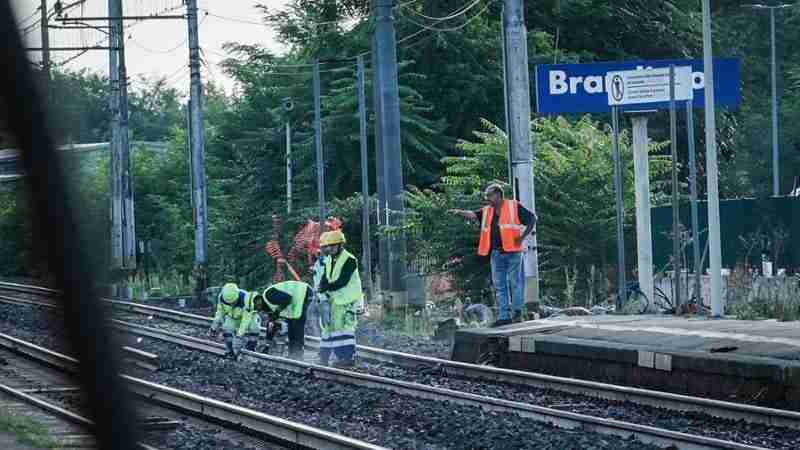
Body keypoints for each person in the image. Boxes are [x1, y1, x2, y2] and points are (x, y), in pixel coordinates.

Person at [448, 183, 537, 327]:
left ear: (498, 194)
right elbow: (473, 214)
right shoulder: (487, 210)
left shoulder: (513, 206)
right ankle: (504, 317)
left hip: (514, 252)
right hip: (496, 253)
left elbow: (532, 219)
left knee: (515, 284)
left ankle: (517, 313)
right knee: (500, 286)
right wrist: (459, 212)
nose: (487, 198)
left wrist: (522, 237)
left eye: (489, 195)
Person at [317, 229, 362, 368]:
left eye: (332, 245)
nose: (329, 248)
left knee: (345, 329)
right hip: (335, 299)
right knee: (332, 328)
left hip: (347, 300)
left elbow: (343, 280)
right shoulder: (330, 259)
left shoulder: (350, 259)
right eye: (328, 246)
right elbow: (326, 277)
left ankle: (348, 358)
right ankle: (332, 357)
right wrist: (321, 287)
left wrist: (326, 288)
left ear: (340, 245)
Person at [260, 280, 312, 359]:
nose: (264, 313)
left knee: (296, 327)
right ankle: (293, 354)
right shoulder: (269, 302)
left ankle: (297, 355)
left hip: (303, 293)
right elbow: (271, 323)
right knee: (291, 327)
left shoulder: (269, 295)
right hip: (297, 300)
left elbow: (287, 299)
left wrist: (277, 312)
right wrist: (268, 342)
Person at [208, 282, 262, 358]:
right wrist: (214, 327)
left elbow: (246, 320)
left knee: (254, 327)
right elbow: (220, 312)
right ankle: (230, 351)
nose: (232, 304)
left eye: (234, 302)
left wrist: (239, 336)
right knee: (227, 328)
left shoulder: (245, 298)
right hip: (233, 317)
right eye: (229, 303)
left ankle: (251, 347)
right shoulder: (221, 297)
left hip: (249, 317)